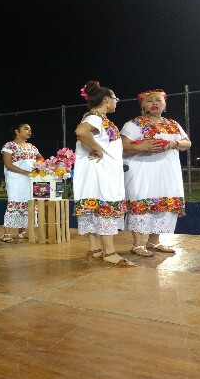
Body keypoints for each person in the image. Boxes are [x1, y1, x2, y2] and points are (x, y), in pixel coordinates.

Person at [121, 89, 191, 256]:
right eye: (149, 101)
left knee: (163, 204)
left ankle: (154, 241)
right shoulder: (135, 124)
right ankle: (137, 245)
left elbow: (187, 143)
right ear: (143, 105)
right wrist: (141, 146)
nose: (154, 103)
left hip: (167, 171)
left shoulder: (172, 124)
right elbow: (122, 146)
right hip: (142, 171)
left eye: (158, 100)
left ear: (165, 105)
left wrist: (173, 144)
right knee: (141, 203)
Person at [73, 81, 133, 266]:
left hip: (95, 172)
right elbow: (81, 131)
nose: (116, 102)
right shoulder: (95, 117)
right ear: (107, 100)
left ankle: (95, 248)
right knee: (105, 205)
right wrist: (98, 149)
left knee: (94, 207)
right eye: (115, 99)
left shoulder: (95, 117)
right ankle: (109, 252)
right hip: (101, 172)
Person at [0, 123, 42, 242]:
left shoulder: (32, 147)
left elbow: (40, 158)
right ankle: (6, 233)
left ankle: (22, 232)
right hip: (16, 180)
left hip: (30, 180)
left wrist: (38, 168)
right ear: (17, 131)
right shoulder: (9, 145)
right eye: (26, 129)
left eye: (30, 129)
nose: (29, 131)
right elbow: (8, 164)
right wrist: (26, 172)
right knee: (15, 202)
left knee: (29, 203)